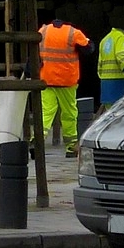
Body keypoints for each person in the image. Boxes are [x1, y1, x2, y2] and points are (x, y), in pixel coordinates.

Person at [34, 17, 93, 158]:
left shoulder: (43, 30)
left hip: (47, 79)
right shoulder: (73, 32)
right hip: (67, 81)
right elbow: (88, 49)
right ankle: (71, 146)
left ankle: (37, 142)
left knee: (46, 113)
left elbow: (34, 52)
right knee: (69, 114)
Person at [97, 23, 124, 114]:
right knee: (123, 116)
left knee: (110, 117)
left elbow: (100, 65)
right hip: (120, 84)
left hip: (105, 85)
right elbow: (121, 57)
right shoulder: (122, 38)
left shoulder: (105, 40)